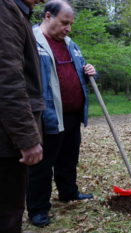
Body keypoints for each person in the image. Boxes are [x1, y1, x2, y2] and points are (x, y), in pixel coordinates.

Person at [26, 0, 97, 227]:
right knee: (43, 164)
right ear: (48, 16)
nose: (68, 28)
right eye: (64, 22)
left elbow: (83, 69)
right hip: (47, 114)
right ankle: (38, 208)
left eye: (70, 24)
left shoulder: (69, 43)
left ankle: (68, 192)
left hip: (72, 113)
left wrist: (91, 71)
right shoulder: (32, 40)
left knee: (68, 158)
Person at [0, 0, 46, 232]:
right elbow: (7, 80)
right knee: (8, 210)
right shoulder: (6, 10)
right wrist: (27, 138)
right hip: (6, 138)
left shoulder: (20, 12)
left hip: (9, 133)